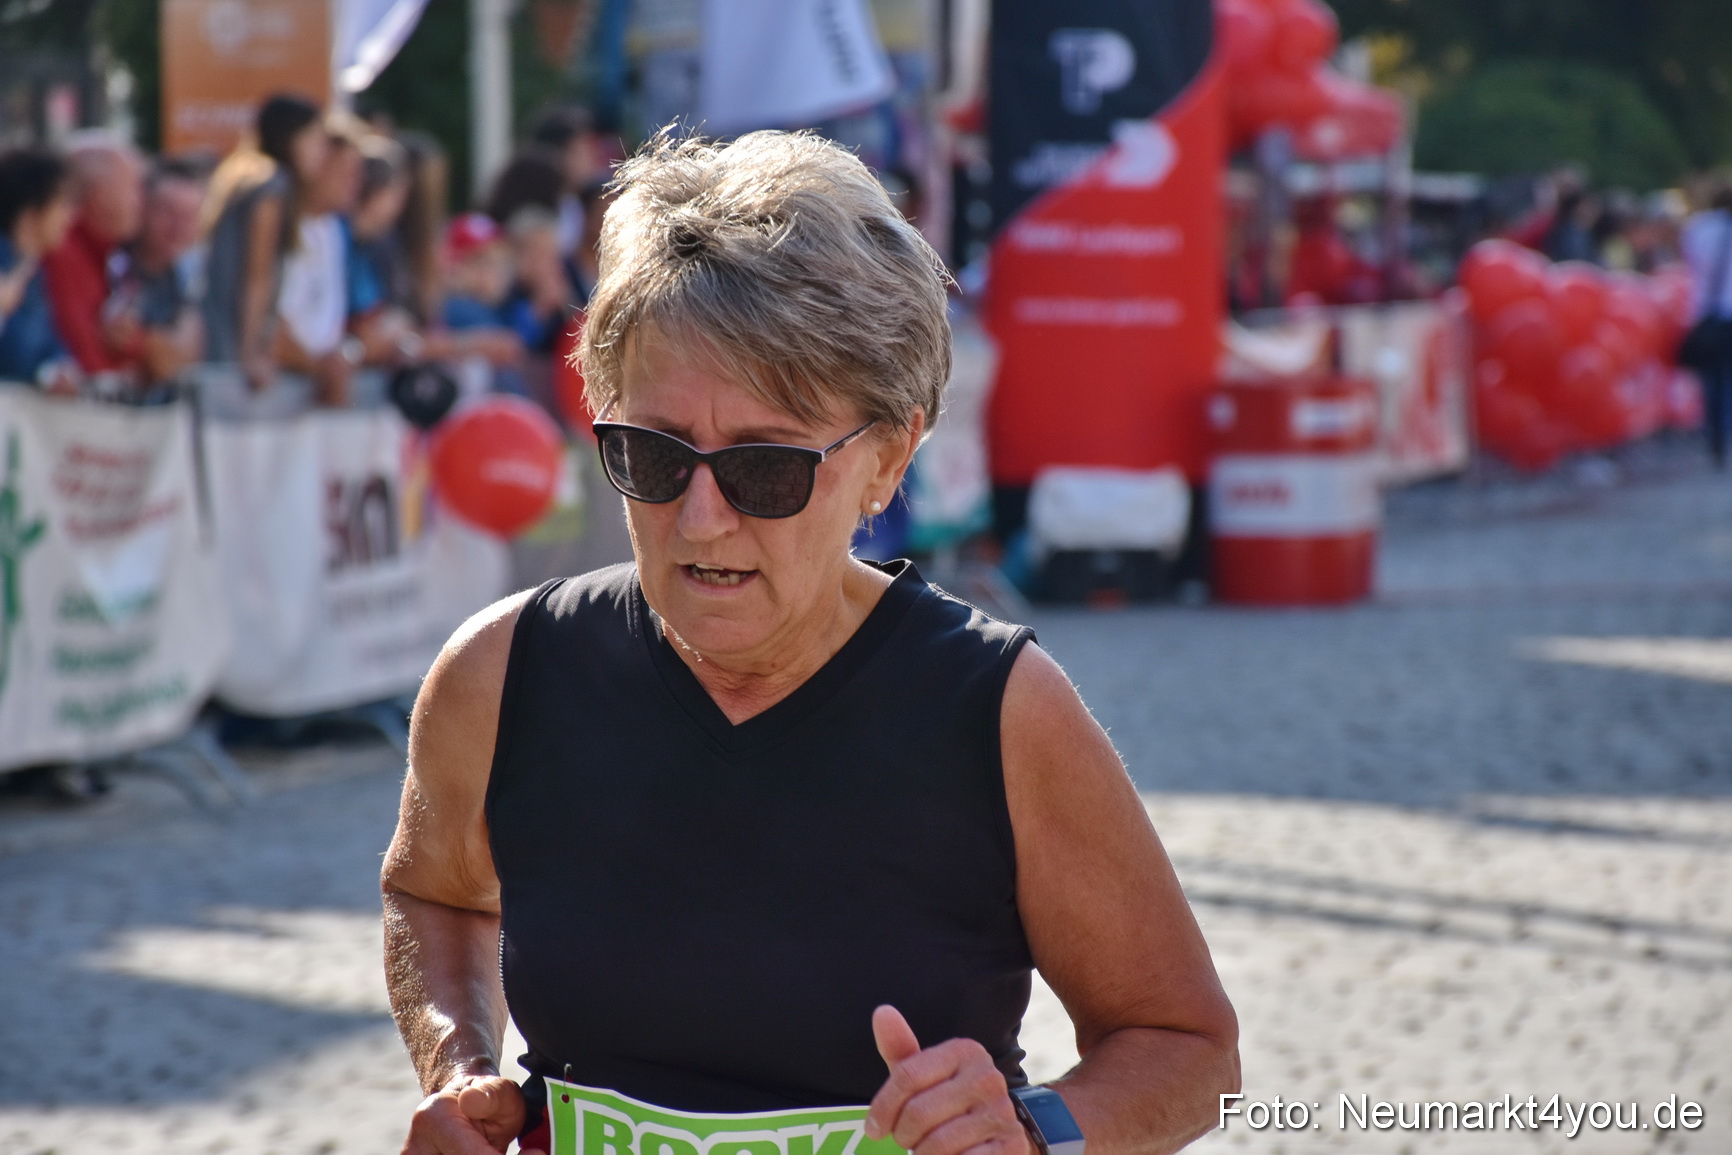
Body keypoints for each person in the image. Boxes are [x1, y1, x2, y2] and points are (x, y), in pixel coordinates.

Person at [381, 131, 1239, 1155]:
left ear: (889, 457)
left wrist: (1040, 1128)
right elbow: (432, 891)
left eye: (765, 470)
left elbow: (1190, 1049)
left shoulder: (996, 713)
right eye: (651, 456)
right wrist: (458, 1060)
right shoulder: (505, 672)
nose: (700, 519)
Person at [201, 93, 330, 391]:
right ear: (290, 138)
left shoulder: (251, 178)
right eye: (313, 139)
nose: (320, 153)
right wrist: (250, 352)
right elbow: (256, 275)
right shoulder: (271, 188)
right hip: (227, 331)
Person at [40, 133, 146, 383]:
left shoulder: (107, 255)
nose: (140, 203)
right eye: (134, 188)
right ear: (99, 194)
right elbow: (89, 364)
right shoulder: (61, 252)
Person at [274, 121, 365, 406]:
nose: (355, 183)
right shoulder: (282, 228)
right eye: (344, 172)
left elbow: (328, 326)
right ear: (314, 166)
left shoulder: (331, 230)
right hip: (278, 399)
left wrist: (340, 359)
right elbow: (272, 333)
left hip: (311, 399)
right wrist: (322, 368)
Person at [111, 159, 206, 390]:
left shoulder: (186, 274)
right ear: (142, 207)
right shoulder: (114, 263)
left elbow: (185, 355)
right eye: (168, 212)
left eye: (190, 216)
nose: (179, 228)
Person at [0, 147, 78, 389]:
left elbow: (49, 343)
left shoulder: (31, 268)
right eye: (62, 203)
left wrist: (55, 370)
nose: (70, 217)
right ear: (31, 212)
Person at [1681, 181, 1732, 467]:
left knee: (1710, 379)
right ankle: (1725, 433)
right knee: (1728, 378)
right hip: (1729, 311)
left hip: (1703, 311)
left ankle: (1713, 436)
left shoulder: (1698, 228)